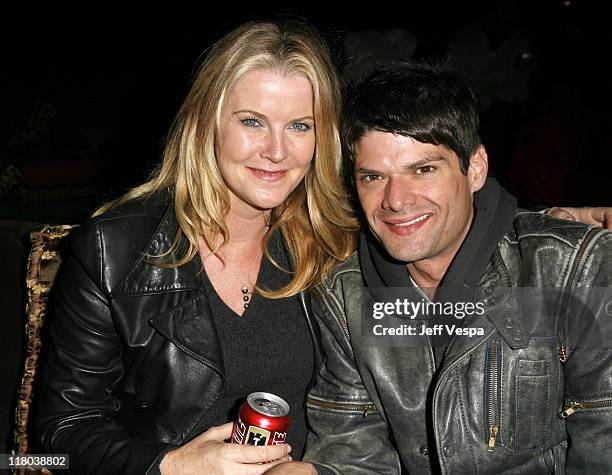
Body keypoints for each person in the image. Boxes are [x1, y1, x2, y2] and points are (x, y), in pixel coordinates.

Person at [34, 19, 359, 475]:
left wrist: (321, 470)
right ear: (207, 122)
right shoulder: (115, 250)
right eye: (252, 122)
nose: (277, 151)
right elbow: (58, 435)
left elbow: (376, 414)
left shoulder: (340, 246)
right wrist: (171, 465)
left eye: (300, 126)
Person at [271, 61, 612, 474]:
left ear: (476, 168)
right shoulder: (344, 293)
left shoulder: (569, 266)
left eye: (423, 169)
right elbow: (353, 452)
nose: (396, 200)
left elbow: (602, 446)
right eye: (373, 177)